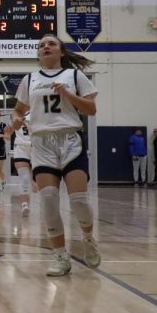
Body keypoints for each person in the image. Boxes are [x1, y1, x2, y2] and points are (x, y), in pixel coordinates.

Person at [12, 34, 100, 277]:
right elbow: (17, 111)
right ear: (38, 54)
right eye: (41, 45)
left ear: (61, 51)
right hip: (41, 143)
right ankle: (60, 256)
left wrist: (68, 94)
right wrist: (17, 120)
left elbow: (91, 110)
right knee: (49, 200)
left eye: (51, 43)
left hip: (70, 140)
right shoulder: (29, 80)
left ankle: (88, 238)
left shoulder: (74, 76)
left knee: (79, 200)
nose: (45, 47)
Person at [7, 119, 34, 216]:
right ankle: (24, 205)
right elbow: (8, 134)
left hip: (36, 146)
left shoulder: (37, 111)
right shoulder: (17, 115)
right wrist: (8, 132)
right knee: (24, 177)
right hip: (20, 146)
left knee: (38, 180)